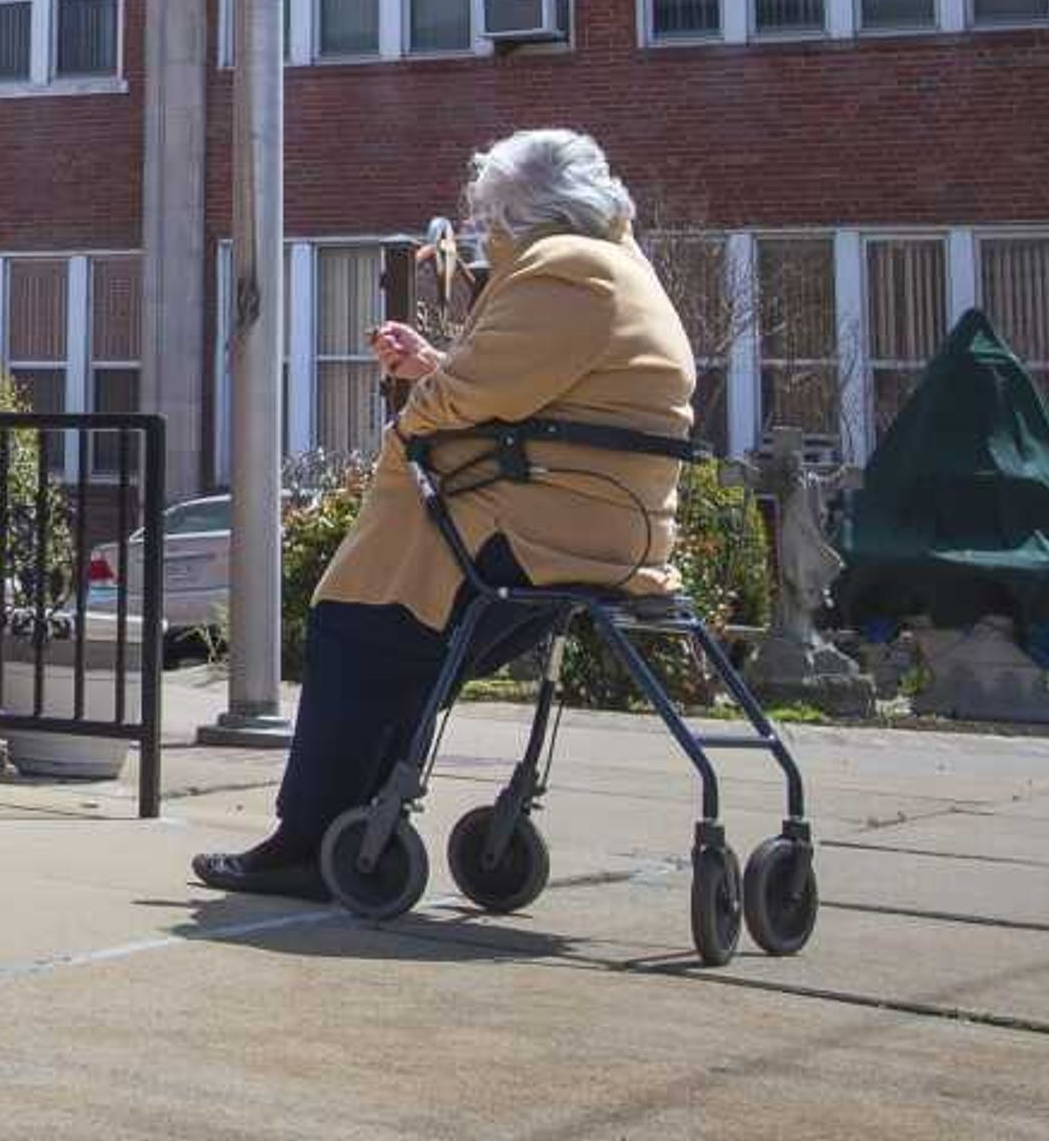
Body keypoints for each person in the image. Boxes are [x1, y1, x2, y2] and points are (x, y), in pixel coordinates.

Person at [191, 127, 698, 902]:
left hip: (543, 527)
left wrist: (418, 411)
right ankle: (356, 823)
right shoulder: (617, 267)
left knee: (357, 626)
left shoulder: (565, 271)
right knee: (405, 649)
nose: (484, 232)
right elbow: (528, 388)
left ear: (517, 210)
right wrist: (437, 365)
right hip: (594, 519)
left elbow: (463, 403)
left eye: (490, 215)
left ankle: (310, 838)